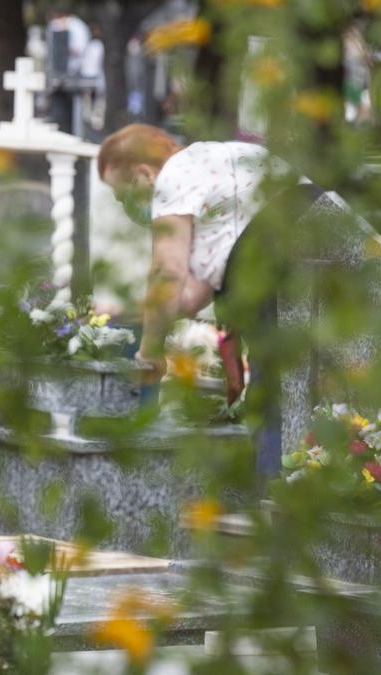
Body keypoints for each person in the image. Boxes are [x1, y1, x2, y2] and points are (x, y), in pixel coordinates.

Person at [97, 123, 326, 474]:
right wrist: (123, 311)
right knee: (303, 394)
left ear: (143, 174)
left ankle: (274, 503)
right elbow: (188, 298)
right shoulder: (208, 174)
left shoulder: (174, 173)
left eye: (121, 194)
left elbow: (167, 274)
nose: (125, 206)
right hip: (321, 245)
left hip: (288, 258)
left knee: (277, 398)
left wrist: (150, 354)